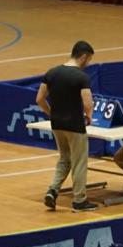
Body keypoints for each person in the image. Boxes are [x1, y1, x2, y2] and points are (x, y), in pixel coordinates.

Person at [36, 40, 97, 212]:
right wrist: (89, 116)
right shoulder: (81, 77)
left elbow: (39, 99)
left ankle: (53, 190)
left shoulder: (52, 73)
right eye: (89, 59)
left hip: (57, 124)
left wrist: (51, 113)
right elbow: (88, 102)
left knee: (64, 159)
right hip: (75, 125)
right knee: (79, 162)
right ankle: (79, 200)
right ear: (83, 57)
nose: (88, 63)